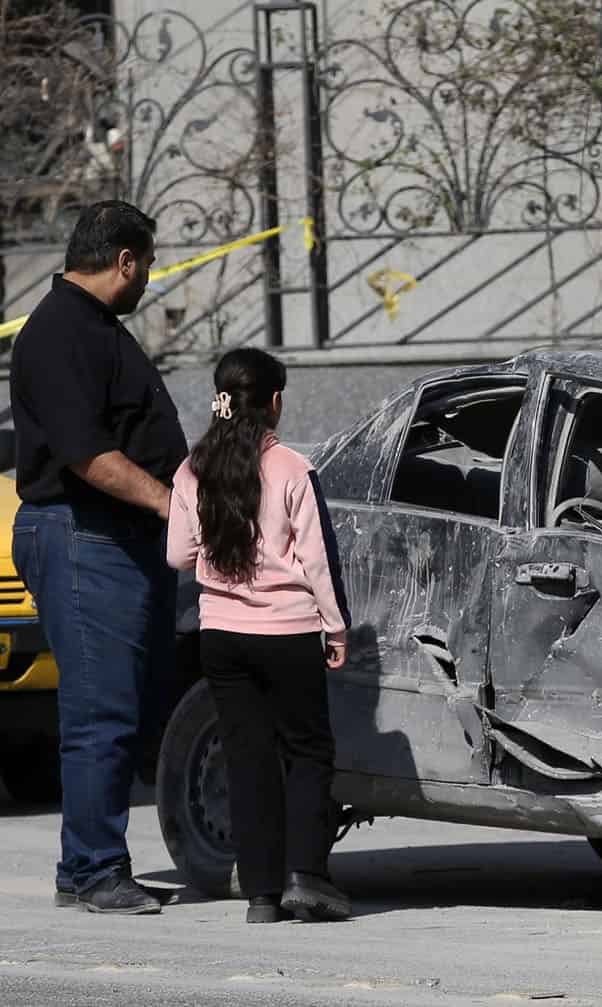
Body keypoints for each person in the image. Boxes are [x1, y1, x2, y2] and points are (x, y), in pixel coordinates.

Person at [10, 200, 186, 915]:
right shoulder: (58, 333)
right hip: (84, 536)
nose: (148, 276)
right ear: (124, 260)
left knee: (128, 708)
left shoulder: (94, 329)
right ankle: (94, 869)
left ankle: (83, 863)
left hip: (116, 541)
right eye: (145, 262)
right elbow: (87, 455)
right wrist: (173, 503)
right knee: (99, 712)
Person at [165, 348, 353, 924]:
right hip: (289, 630)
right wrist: (336, 626)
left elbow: (177, 555)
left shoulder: (192, 470)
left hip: (221, 635)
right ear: (273, 402)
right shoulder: (292, 468)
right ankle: (306, 877)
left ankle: (261, 896)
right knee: (307, 751)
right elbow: (318, 560)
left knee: (247, 758)